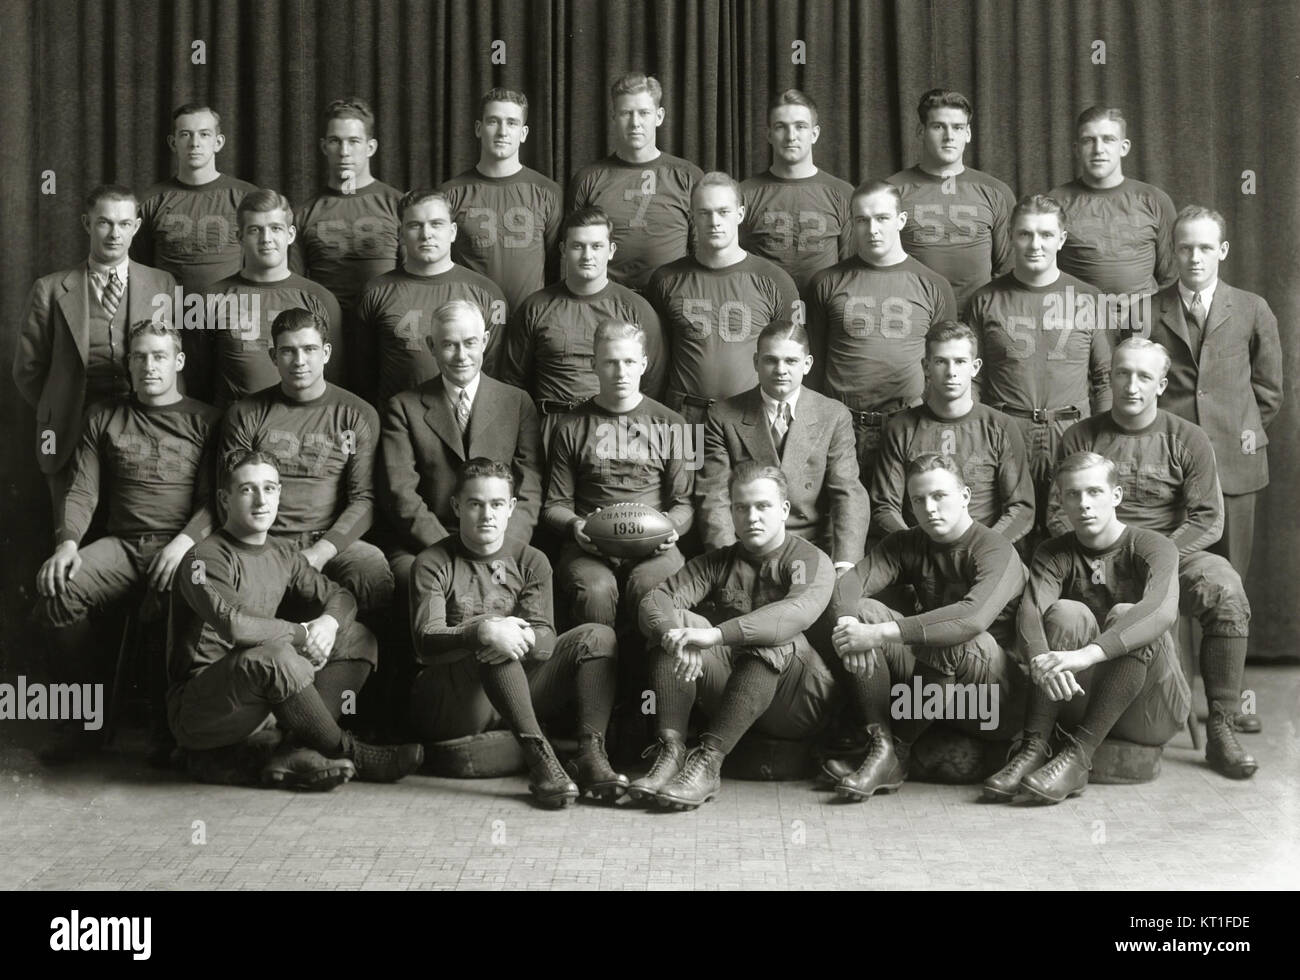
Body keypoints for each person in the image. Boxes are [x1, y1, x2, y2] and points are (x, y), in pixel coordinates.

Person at [1050, 338, 1258, 780]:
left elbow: (1207, 519)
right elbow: (1055, 514)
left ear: (1161, 384)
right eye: (1122, 373)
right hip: (1095, 553)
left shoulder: (1187, 437)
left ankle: (1222, 725)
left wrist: (1157, 560)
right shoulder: (1081, 435)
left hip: (1170, 553)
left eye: (1144, 376)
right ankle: (1063, 724)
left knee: (1225, 587)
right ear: (1110, 378)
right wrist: (1104, 551)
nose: (1131, 384)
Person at [170, 450, 422, 789]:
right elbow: (235, 624)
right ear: (224, 498)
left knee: (358, 637)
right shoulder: (203, 557)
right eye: (247, 490)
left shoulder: (282, 551)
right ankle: (352, 753)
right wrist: (304, 634)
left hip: (258, 699)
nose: (261, 500)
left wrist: (328, 625)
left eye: (270, 488)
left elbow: (341, 597)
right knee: (277, 656)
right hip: (203, 709)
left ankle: (295, 748)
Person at [33, 320, 219, 764]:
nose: (149, 366)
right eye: (139, 357)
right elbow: (83, 490)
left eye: (158, 356)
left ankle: (167, 728)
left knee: (185, 603)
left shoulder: (207, 420)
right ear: (128, 364)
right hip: (122, 545)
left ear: (177, 362)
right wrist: (67, 544)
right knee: (59, 591)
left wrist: (181, 546)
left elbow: (216, 501)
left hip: (182, 547)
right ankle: (86, 725)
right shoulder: (105, 417)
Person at [409, 458, 625, 807]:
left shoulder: (532, 560)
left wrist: (511, 634)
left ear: (510, 508)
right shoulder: (433, 562)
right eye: (475, 504)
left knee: (598, 636)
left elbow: (545, 640)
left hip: (516, 693)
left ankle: (588, 753)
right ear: (456, 506)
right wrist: (483, 631)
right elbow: (426, 640)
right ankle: (541, 757)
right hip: (454, 700)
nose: (486, 515)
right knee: (495, 640)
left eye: (496, 504)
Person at [1141, 206, 1283, 735]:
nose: (1194, 257)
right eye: (1184, 248)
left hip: (1236, 470)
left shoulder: (1251, 308)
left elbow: (1268, 392)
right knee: (1173, 582)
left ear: (1222, 251)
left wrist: (1232, 436)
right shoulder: (1147, 308)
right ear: (1172, 251)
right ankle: (1176, 699)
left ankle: (1226, 702)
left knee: (1230, 588)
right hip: (1168, 471)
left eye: (1205, 248)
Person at [984, 451, 1188, 804]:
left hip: (1151, 708)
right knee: (1065, 613)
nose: (1084, 504)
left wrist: (1087, 654)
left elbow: (1161, 612)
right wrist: (1041, 659)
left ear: (1117, 496)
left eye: (1094, 492)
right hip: (1079, 698)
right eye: (1073, 494)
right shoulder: (1053, 552)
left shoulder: (1155, 546)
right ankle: (1035, 746)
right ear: (1060, 500)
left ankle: (1079, 756)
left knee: (1130, 613)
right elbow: (1031, 613)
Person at [820, 454, 1026, 800]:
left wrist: (876, 635)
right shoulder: (907, 543)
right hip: (930, 689)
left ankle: (898, 748)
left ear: (965, 496)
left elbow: (968, 619)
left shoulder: (995, 549)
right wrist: (849, 628)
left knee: (954, 636)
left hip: (991, 698)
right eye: (918, 499)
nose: (929, 508)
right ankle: (882, 747)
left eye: (939, 496)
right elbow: (846, 586)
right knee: (864, 612)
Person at [634, 462, 836, 809]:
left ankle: (708, 762)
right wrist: (674, 634)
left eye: (763, 506)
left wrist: (714, 635)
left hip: (800, 701)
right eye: (741, 507)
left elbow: (791, 617)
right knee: (677, 622)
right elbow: (656, 599)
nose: (751, 517)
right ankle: (671, 751)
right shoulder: (719, 561)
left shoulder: (807, 559)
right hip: (737, 689)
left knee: (774, 636)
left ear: (784, 510)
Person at [15, 185, 177, 526]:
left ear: (136, 227)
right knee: (70, 533)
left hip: (141, 429)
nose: (114, 233)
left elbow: (169, 359)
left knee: (134, 529)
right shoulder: (50, 288)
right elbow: (29, 369)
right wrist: (60, 404)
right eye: (104, 223)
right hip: (69, 429)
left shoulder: (161, 284)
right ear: (87, 224)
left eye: (123, 224)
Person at [219, 308, 393, 615]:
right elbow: (232, 492)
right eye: (288, 351)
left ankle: (361, 657)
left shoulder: (356, 415)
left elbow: (364, 499)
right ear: (273, 356)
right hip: (261, 537)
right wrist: (262, 548)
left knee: (370, 566)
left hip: (325, 537)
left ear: (325, 352)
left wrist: (320, 552)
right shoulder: (246, 413)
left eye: (309, 350)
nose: (299, 361)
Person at [380, 300, 542, 609]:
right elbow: (401, 494)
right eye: (449, 345)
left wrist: (499, 549)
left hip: (501, 540)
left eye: (469, 343)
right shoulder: (403, 407)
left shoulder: (517, 403)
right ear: (431, 346)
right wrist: (452, 552)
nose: (461, 355)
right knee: (413, 578)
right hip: (428, 543)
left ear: (485, 341)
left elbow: (529, 490)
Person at [964, 193, 1111, 531]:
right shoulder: (985, 299)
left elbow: (1104, 377)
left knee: (1070, 532)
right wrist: (979, 432)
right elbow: (972, 377)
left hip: (1072, 430)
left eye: (1046, 235)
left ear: (1061, 239)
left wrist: (1101, 439)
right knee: (1005, 528)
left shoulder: (1088, 297)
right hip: (1007, 430)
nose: (1035, 244)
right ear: (1011, 237)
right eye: (1025, 234)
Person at [542, 321, 692, 639]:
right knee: (595, 591)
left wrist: (670, 527)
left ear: (644, 364)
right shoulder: (569, 426)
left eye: (628, 362)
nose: (620, 372)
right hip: (590, 547)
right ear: (594, 364)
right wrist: (575, 526)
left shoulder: (675, 424)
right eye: (610, 362)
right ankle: (594, 679)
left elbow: (685, 503)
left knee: (650, 588)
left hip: (655, 547)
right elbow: (554, 505)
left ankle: (646, 683)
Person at [806, 180, 957, 480]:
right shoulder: (825, 283)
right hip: (842, 426)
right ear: (852, 224)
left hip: (909, 425)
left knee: (907, 518)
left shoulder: (934, 285)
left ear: (901, 220)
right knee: (841, 517)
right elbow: (813, 366)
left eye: (882, 218)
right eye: (862, 220)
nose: (872, 229)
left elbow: (947, 363)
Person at [698, 321, 868, 572]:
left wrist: (845, 564)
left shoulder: (833, 415)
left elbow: (848, 493)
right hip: (747, 550)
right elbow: (714, 497)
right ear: (756, 362)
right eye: (771, 360)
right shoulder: (722, 416)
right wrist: (728, 564)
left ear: (807, 364)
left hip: (812, 546)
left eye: (791, 361)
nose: (780, 370)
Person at [499, 206, 665, 447]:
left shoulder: (635, 309)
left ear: (611, 250)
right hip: (549, 429)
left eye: (596, 246)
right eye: (578, 246)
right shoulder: (535, 306)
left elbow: (652, 381)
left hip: (613, 430)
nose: (588, 255)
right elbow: (513, 382)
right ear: (563, 250)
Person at [647, 171, 799, 424]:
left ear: (740, 214)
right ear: (692, 217)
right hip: (685, 414)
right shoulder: (665, 279)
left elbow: (792, 358)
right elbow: (654, 360)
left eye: (723, 211)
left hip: (750, 414)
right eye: (704, 212)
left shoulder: (775, 280)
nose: (714, 221)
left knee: (752, 467)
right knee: (685, 466)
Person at [872, 321, 1034, 544]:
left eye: (960, 362)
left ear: (975, 367)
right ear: (926, 367)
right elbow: (884, 507)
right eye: (941, 362)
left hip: (983, 550)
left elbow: (1021, 508)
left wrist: (985, 547)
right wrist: (915, 548)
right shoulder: (901, 428)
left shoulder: (1001, 427)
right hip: (920, 554)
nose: (951, 372)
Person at [292, 97, 404, 392]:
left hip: (389, 335)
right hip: (328, 341)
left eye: (354, 141)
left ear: (371, 147)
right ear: (323, 146)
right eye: (335, 141)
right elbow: (293, 288)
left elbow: (414, 279)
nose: (344, 151)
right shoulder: (303, 214)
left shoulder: (398, 206)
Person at [355, 189, 507, 405]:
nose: (426, 234)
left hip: (465, 424)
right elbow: (364, 376)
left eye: (437, 224)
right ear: (400, 234)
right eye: (415, 225)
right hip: (397, 427)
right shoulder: (375, 292)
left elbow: (494, 375)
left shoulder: (487, 294)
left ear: (453, 231)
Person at [208, 188, 345, 405]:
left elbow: (335, 381)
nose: (266, 239)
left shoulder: (321, 298)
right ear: (239, 237)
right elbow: (196, 377)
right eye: (255, 230)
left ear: (290, 235)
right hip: (233, 429)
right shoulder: (210, 297)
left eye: (275, 228)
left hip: (301, 429)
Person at [566, 72, 703, 291]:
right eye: (626, 113)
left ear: (659, 116)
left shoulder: (688, 177)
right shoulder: (588, 179)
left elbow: (702, 249)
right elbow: (570, 253)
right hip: (608, 302)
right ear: (613, 116)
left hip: (672, 298)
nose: (635, 123)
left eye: (644, 113)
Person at [887, 89, 1016, 308]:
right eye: (938, 127)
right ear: (921, 131)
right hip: (912, 317)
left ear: (968, 133)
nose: (949, 136)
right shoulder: (892, 190)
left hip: (977, 320)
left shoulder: (996, 192)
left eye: (957, 127)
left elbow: (1008, 267)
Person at [440, 87, 562, 313]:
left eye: (512, 123)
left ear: (524, 133)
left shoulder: (548, 192)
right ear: (479, 128)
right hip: (469, 326)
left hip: (530, 322)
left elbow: (557, 268)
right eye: (493, 121)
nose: (502, 132)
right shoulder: (449, 194)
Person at [1048, 106, 1177, 297]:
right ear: (1076, 149)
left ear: (1124, 147)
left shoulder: (1155, 200)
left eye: (1108, 139)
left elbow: (1171, 277)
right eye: (1088, 140)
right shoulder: (1055, 202)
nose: (1098, 149)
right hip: (1078, 321)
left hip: (1143, 320)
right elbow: (1041, 273)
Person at [739, 89, 854, 291]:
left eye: (800, 126)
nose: (791, 136)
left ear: (814, 134)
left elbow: (851, 269)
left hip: (824, 312)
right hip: (763, 313)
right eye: (781, 127)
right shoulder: (743, 194)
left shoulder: (842, 193)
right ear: (769, 134)